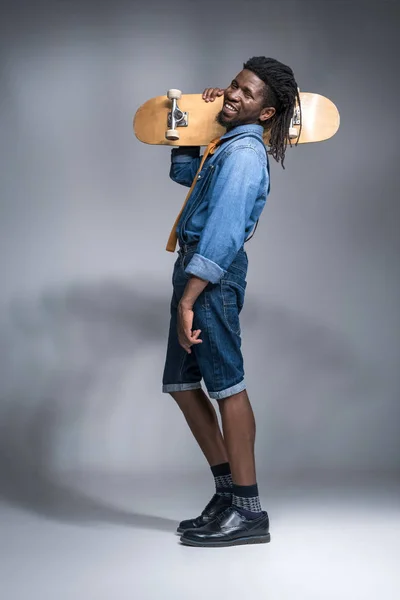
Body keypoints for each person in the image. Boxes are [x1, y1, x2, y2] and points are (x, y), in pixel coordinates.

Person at [162, 56, 301, 547]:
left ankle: (249, 511)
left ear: (266, 113)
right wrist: (195, 127)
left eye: (247, 94)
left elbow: (222, 236)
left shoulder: (244, 155)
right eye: (234, 85)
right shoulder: (226, 144)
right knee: (182, 383)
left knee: (227, 386)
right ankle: (227, 495)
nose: (233, 95)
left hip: (210, 278)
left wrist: (188, 300)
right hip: (196, 271)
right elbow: (188, 180)